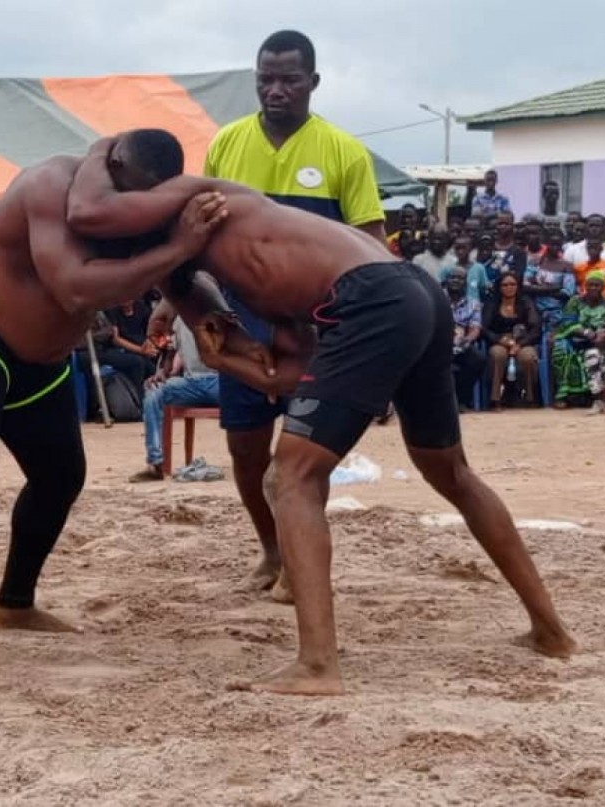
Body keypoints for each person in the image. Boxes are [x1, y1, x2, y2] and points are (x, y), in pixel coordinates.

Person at [64, 135, 574, 696]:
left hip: (375, 296)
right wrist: (224, 358)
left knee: (291, 477)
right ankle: (551, 631)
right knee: (447, 470)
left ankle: (317, 666)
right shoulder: (255, 274)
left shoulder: (193, 197)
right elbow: (289, 373)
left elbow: (88, 210)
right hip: (412, 293)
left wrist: (98, 150)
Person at [0, 129, 229, 667]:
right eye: (125, 194)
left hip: (42, 357)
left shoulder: (146, 208)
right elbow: (75, 288)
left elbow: (178, 274)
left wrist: (189, 304)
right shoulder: (48, 185)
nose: (131, 208)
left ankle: (15, 603)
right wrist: (177, 247)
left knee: (61, 476)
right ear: (110, 166)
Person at [198, 28, 387, 599]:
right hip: (240, 317)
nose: (275, 90)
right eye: (266, 79)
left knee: (301, 454)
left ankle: (299, 569)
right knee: (245, 447)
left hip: (318, 327)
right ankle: (272, 550)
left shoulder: (343, 151)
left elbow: (372, 245)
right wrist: (170, 301)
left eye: (289, 79)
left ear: (313, 83)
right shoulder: (226, 144)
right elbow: (198, 237)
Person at [129, 317, 220, 482]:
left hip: (220, 381)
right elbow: (172, 356)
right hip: (191, 382)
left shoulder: (219, 312)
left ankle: (258, 460)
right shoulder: (179, 320)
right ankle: (155, 463)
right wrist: (162, 373)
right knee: (154, 393)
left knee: (252, 396)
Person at [550, 272, 605, 407]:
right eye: (590, 285)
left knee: (598, 351)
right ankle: (563, 395)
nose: (593, 288)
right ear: (585, 286)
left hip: (600, 339)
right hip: (574, 337)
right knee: (561, 350)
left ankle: (593, 395)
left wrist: (600, 335)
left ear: (603, 287)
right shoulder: (575, 301)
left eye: (597, 285)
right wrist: (585, 332)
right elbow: (568, 322)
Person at [483, 273, 542, 407]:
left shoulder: (526, 302)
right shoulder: (492, 303)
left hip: (523, 341)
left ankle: (530, 398)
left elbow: (536, 328)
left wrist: (520, 344)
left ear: (517, 286)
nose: (509, 287)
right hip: (499, 341)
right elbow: (484, 328)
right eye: (505, 285)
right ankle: (495, 399)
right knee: (497, 355)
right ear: (499, 287)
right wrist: (499, 339)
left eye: (512, 284)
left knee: (528, 357)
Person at [445, 273, 486, 409]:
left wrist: (466, 340)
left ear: (465, 283)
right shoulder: (438, 300)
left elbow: (475, 328)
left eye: (460, 278)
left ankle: (462, 400)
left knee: (478, 359)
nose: (455, 281)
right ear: (446, 281)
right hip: (441, 342)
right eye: (453, 278)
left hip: (463, 342)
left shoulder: (473, 304)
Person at [523, 229, 577, 330]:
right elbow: (525, 286)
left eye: (558, 245)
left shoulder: (566, 266)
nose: (555, 248)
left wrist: (538, 289)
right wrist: (552, 288)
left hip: (556, 311)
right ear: (546, 244)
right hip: (534, 309)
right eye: (552, 244)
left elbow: (567, 293)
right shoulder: (536, 262)